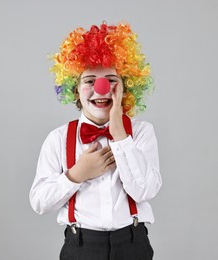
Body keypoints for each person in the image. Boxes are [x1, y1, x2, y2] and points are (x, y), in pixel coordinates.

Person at [29, 21, 162, 260]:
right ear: (75, 89)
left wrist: (120, 135)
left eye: (112, 80)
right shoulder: (58, 139)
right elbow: (39, 202)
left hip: (132, 243)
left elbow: (144, 191)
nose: (101, 89)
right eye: (90, 81)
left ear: (126, 87)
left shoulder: (141, 132)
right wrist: (76, 174)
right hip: (81, 246)